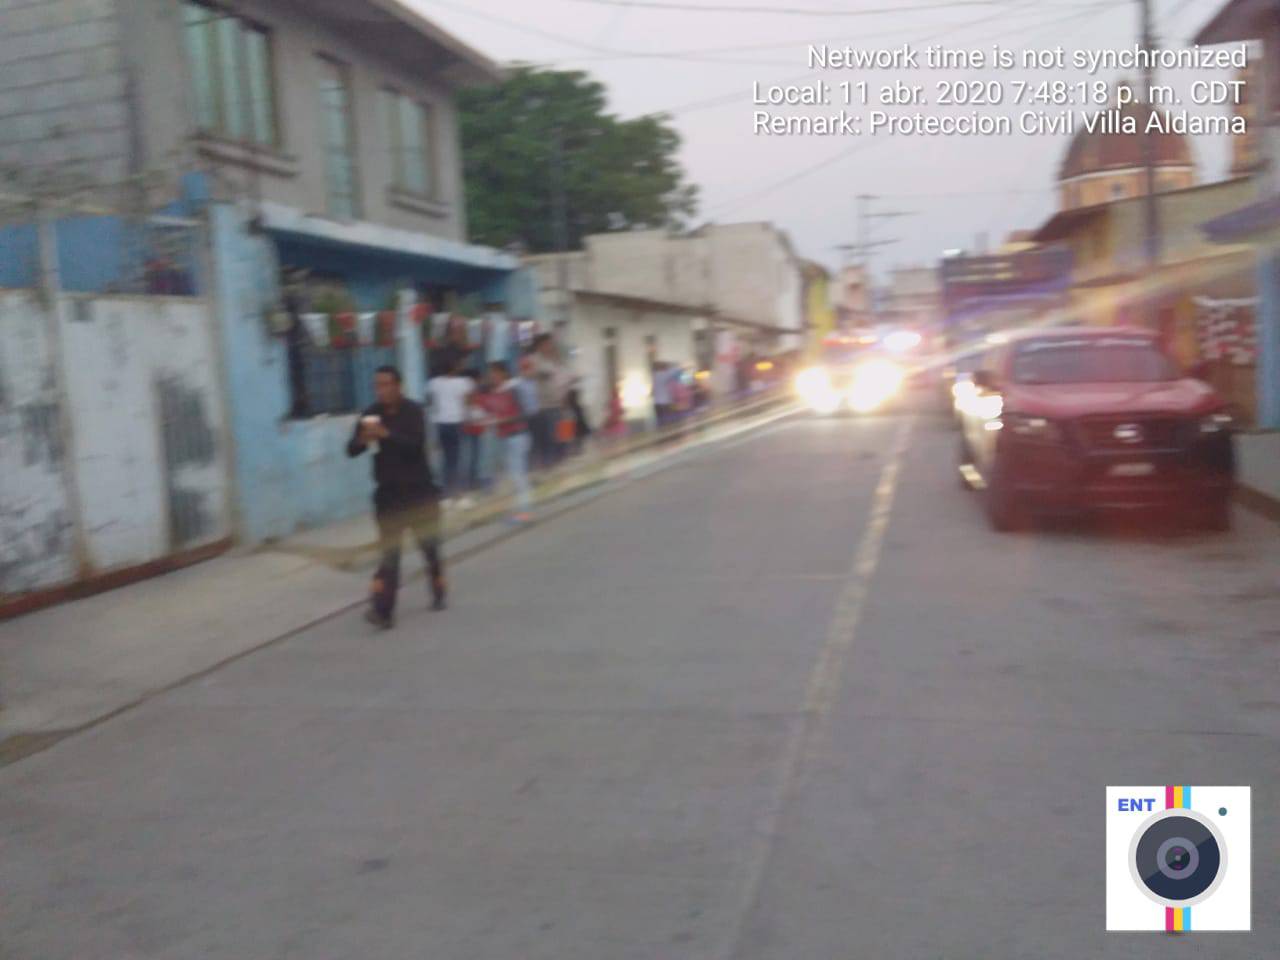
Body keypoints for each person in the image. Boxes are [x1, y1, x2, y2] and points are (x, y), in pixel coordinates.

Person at [347, 365, 446, 629]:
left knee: (429, 548)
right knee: (390, 555)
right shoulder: (370, 414)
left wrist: (386, 435)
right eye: (377, 385)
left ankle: (438, 589)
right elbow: (351, 450)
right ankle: (383, 611)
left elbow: (415, 446)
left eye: (386, 384)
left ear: (398, 386)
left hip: (419, 493)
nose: (382, 390)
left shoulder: (413, 411)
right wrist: (362, 438)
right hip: (388, 496)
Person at [481, 361, 534, 523]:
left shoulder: (513, 391)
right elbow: (489, 412)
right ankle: (517, 510)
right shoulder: (493, 393)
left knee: (518, 474)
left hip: (517, 436)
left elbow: (524, 413)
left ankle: (525, 512)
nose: (492, 377)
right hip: (503, 438)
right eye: (490, 374)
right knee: (511, 475)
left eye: (495, 373)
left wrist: (501, 421)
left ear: (503, 374)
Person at [426, 357, 473, 501]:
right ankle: (457, 492)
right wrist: (467, 417)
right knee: (456, 459)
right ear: (454, 368)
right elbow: (467, 402)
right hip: (456, 423)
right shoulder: (463, 382)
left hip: (441, 424)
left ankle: (446, 493)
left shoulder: (433, 383)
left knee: (445, 460)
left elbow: (430, 401)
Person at [529, 334, 569, 468]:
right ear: (540, 345)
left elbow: (564, 377)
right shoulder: (533, 359)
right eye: (548, 344)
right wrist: (543, 373)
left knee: (565, 432)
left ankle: (563, 458)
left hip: (560, 401)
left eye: (551, 344)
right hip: (544, 405)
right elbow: (532, 374)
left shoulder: (555, 360)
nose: (550, 347)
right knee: (550, 436)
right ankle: (548, 463)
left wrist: (565, 393)